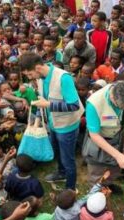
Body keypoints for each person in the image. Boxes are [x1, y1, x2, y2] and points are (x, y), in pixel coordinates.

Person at [19, 52, 84, 190]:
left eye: (30, 75)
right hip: (53, 124)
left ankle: (70, 188)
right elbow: (42, 99)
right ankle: (61, 173)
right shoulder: (41, 77)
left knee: (68, 159)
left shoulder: (64, 78)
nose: (30, 78)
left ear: (37, 68)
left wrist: (48, 105)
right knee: (58, 153)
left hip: (67, 126)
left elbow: (74, 105)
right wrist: (37, 117)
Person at [84, 81, 124, 185]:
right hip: (101, 140)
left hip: (120, 137)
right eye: (123, 108)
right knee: (97, 171)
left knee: (115, 168)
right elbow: (94, 135)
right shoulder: (94, 104)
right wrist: (117, 155)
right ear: (112, 97)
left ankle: (108, 184)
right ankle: (96, 191)